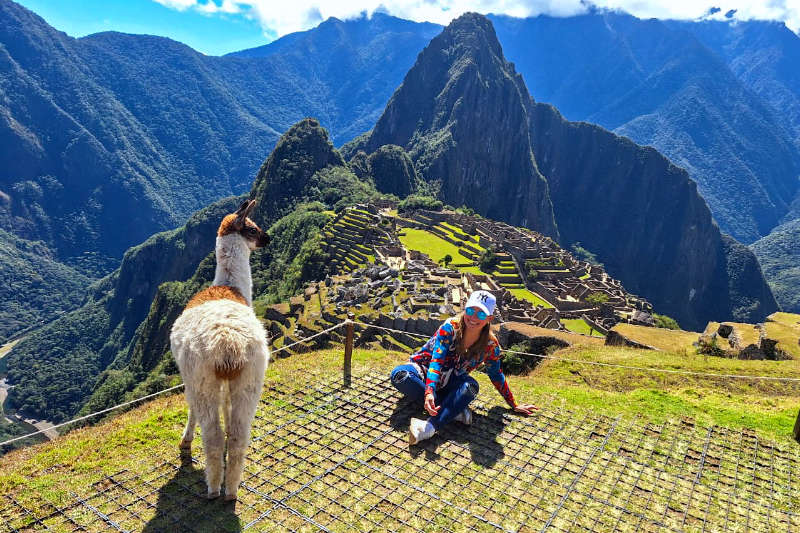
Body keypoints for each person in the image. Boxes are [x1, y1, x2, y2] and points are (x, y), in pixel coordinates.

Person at [390, 289, 538, 445]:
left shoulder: (490, 345)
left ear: (489, 318)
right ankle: (453, 410)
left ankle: (429, 427)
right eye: (470, 310)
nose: (473, 318)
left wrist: (513, 404)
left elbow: (496, 375)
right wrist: (429, 391)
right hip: (424, 368)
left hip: (452, 380)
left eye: (481, 314)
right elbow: (437, 360)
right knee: (399, 375)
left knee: (471, 387)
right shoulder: (450, 327)